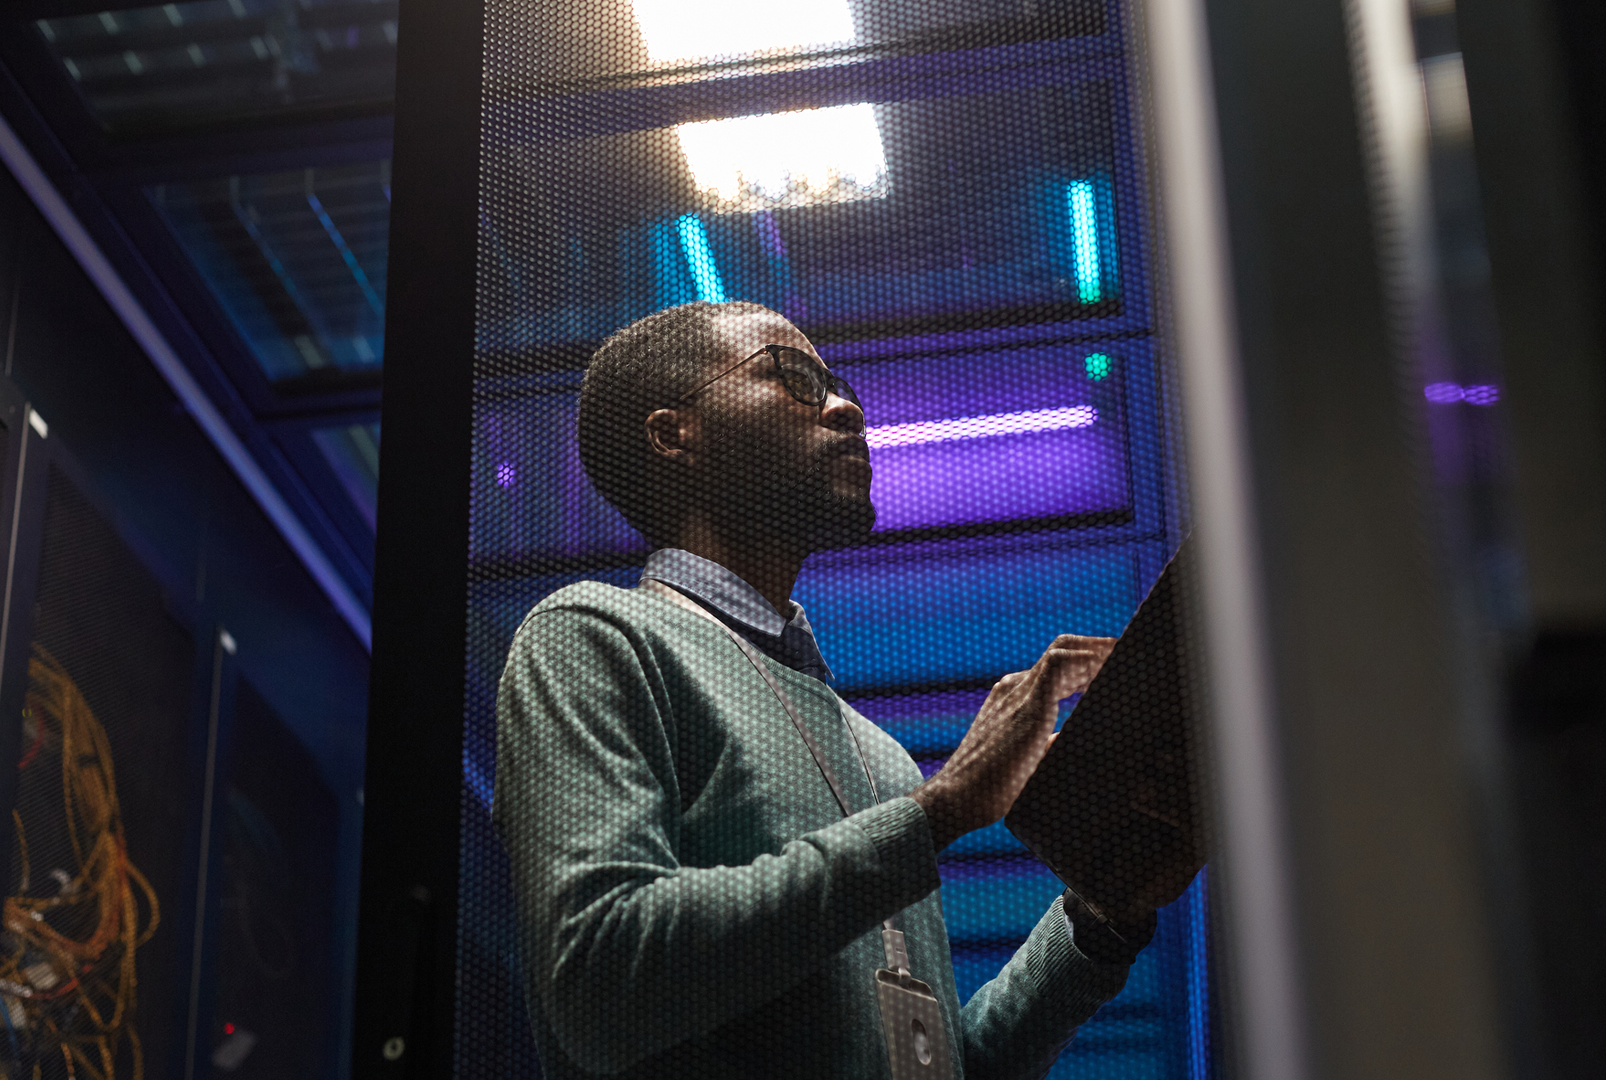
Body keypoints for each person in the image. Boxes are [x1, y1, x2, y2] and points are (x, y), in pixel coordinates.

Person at [493, 300, 1198, 1079]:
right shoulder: (594, 636)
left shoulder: (880, 755)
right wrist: (938, 812)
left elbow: (946, 1065)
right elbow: (600, 986)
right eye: (792, 376)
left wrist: (1100, 919)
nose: (846, 406)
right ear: (673, 434)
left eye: (836, 382)